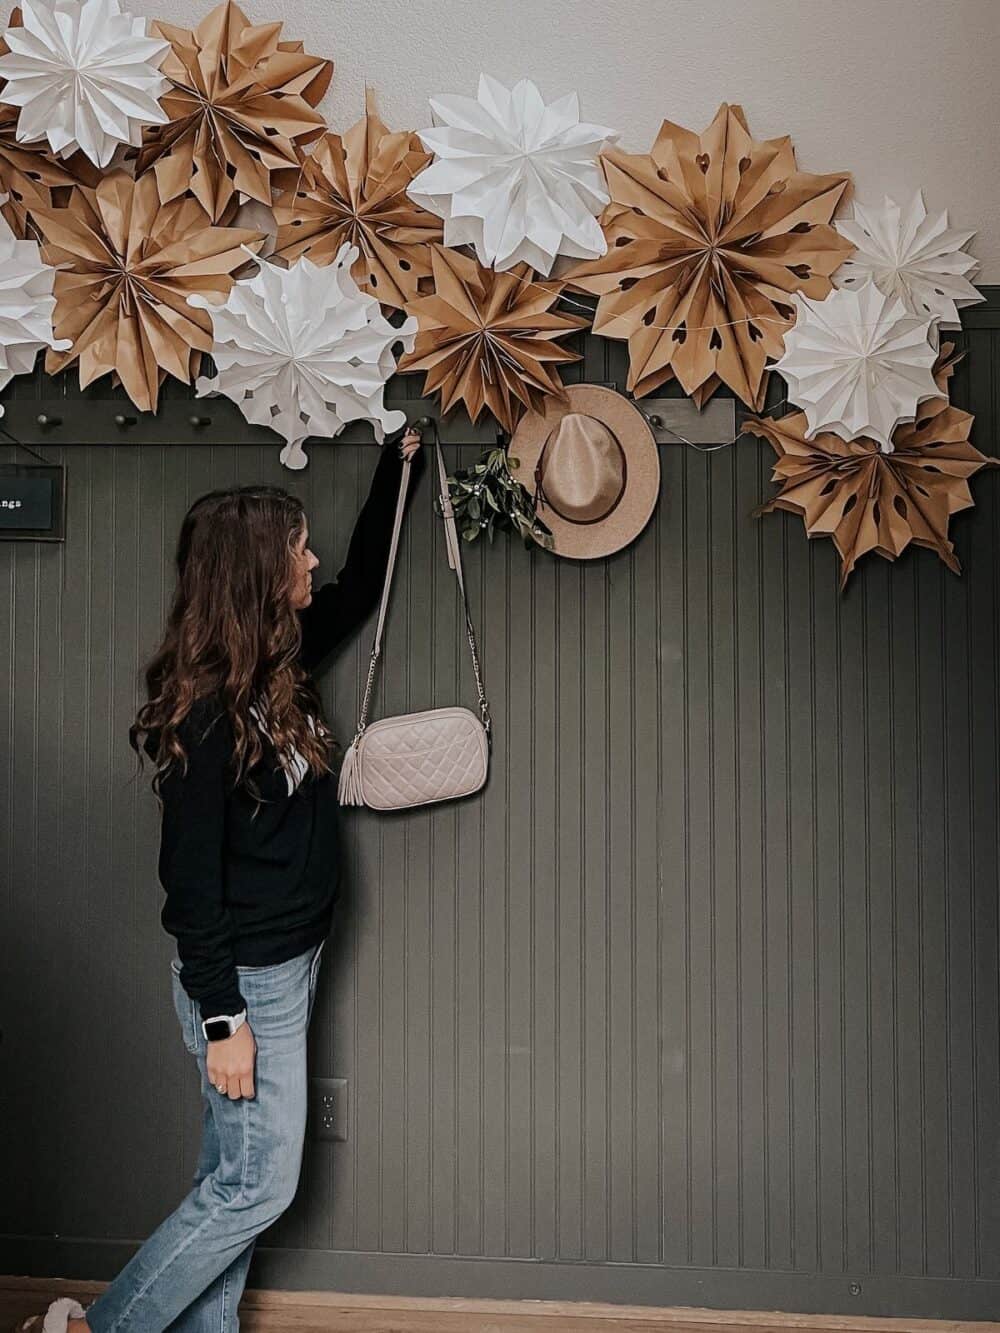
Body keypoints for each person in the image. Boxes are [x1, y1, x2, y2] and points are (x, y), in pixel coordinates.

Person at [18, 426, 426, 1333]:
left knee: (229, 1180)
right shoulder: (204, 717)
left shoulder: (278, 667)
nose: (311, 559)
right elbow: (189, 890)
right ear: (256, 572)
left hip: (291, 963)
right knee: (257, 1187)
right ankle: (94, 1329)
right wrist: (223, 1022)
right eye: (297, 549)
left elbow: (359, 583)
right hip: (242, 985)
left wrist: (396, 472)